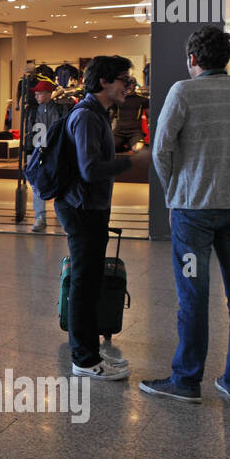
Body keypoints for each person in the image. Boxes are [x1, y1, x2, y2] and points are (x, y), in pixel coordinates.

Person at [142, 26, 230, 403]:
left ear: (192, 59)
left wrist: (175, 192)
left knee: (193, 294)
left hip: (193, 214)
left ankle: (186, 381)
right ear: (227, 56)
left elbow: (161, 150)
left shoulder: (183, 91)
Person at [57, 55, 150, 380]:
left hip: (90, 208)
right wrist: (132, 163)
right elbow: (90, 169)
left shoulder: (96, 113)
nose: (130, 85)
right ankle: (83, 361)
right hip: (81, 210)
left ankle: (91, 354)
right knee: (84, 283)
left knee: (91, 280)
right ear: (104, 82)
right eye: (124, 79)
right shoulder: (86, 116)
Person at [24, 79, 68, 233]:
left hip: (55, 153)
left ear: (49, 94)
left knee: (60, 184)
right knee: (38, 185)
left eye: (39, 93)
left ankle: (60, 215)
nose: (36, 96)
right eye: (35, 93)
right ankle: (40, 217)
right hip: (39, 152)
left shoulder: (61, 110)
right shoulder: (33, 111)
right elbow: (32, 133)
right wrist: (30, 153)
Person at [112, 76, 149, 152]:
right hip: (119, 132)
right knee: (109, 148)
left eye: (131, 83)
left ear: (135, 85)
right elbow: (109, 117)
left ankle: (127, 146)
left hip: (135, 132)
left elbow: (150, 118)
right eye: (126, 84)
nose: (128, 86)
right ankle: (123, 147)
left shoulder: (143, 100)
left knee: (140, 150)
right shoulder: (117, 100)